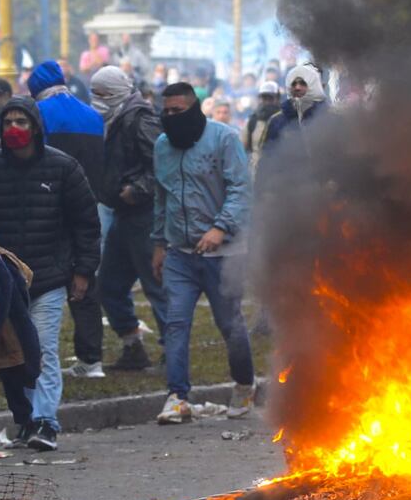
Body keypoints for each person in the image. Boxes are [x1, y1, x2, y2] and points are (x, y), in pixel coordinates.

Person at [0, 97, 100, 450]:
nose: (14, 129)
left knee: (42, 349)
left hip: (49, 278)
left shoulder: (63, 168)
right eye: (7, 122)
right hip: (4, 281)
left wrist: (83, 270)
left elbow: (86, 223)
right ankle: (25, 418)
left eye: (21, 123)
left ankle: (45, 422)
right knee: (12, 353)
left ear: (36, 128)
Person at [149, 82, 255, 423]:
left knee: (230, 325)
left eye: (177, 111)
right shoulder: (162, 146)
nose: (170, 117)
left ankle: (244, 384)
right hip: (180, 252)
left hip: (223, 254)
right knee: (176, 323)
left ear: (194, 110)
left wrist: (220, 227)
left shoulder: (224, 138)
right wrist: (159, 244)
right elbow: (161, 198)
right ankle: (177, 396)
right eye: (165, 112)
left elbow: (241, 188)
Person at [27, 60, 108, 377]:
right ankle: (92, 360)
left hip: (50, 206)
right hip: (89, 205)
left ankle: (37, 359)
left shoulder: (41, 113)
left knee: (42, 280)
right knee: (85, 279)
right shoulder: (91, 114)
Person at [90, 65, 168, 372]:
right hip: (124, 215)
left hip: (144, 216)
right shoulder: (116, 117)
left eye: (101, 94)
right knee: (108, 284)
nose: (96, 100)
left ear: (115, 93)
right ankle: (132, 346)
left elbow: (161, 164)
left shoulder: (140, 118)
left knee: (156, 285)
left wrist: (137, 190)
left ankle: (172, 352)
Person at [263, 63, 328, 155]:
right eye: (293, 83)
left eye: (303, 83)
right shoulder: (277, 121)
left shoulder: (330, 118)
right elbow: (267, 157)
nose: (297, 87)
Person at [244, 80, 281, 165]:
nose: (267, 102)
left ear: (277, 99)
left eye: (270, 98)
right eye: (264, 98)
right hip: (256, 171)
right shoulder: (252, 121)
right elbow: (241, 150)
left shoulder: (284, 120)